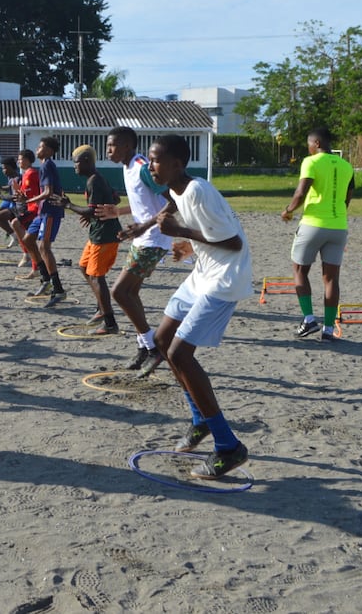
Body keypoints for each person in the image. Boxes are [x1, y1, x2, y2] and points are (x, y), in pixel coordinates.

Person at [147, 134, 254, 480]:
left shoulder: (196, 190)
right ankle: (199, 421)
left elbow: (234, 242)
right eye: (149, 159)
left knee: (179, 354)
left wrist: (183, 234)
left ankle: (228, 446)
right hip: (203, 272)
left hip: (224, 278)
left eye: (156, 160)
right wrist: (188, 246)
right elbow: (197, 226)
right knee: (163, 340)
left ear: (177, 164)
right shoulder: (177, 191)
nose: (151, 165)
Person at [94, 126, 176, 371]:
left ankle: (153, 347)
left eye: (112, 145)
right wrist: (118, 213)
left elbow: (173, 200)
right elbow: (145, 202)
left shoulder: (143, 166)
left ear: (127, 146)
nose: (107, 150)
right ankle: (144, 345)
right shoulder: (127, 167)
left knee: (120, 292)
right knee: (130, 293)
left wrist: (144, 226)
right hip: (143, 237)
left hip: (155, 237)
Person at [282, 127, 356, 342]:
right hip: (339, 226)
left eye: (309, 145)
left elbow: (301, 193)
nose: (309, 148)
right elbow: (347, 197)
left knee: (299, 270)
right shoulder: (346, 166)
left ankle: (309, 319)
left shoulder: (310, 162)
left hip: (313, 224)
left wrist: (288, 211)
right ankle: (329, 329)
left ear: (316, 143)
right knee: (331, 278)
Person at [60, 145, 122, 334]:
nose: (74, 167)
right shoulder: (97, 179)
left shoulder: (94, 181)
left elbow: (92, 209)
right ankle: (101, 309)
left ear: (86, 161)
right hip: (98, 232)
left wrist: (69, 204)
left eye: (76, 162)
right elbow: (116, 199)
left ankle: (110, 322)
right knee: (84, 267)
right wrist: (94, 213)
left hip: (105, 234)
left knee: (96, 276)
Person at [22, 136, 65, 308]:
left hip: (50, 211)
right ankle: (46, 279)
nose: (37, 149)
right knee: (27, 240)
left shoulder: (47, 165)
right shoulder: (43, 165)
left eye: (40, 146)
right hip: (42, 211)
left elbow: (48, 192)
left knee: (44, 247)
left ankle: (58, 289)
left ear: (48, 150)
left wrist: (28, 201)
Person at [12, 149, 42, 274]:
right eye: (18, 159)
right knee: (26, 235)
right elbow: (25, 195)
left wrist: (21, 194)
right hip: (30, 208)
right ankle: (33, 263)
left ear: (28, 160)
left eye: (21, 159)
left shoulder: (31, 174)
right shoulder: (25, 174)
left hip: (35, 209)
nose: (19, 161)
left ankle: (27, 255)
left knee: (16, 224)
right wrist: (18, 190)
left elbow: (32, 196)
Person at [0, 157, 23, 248]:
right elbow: (9, 187)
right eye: (2, 169)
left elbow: (15, 197)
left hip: (17, 204)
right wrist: (1, 187)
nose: (3, 171)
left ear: (12, 168)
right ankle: (13, 235)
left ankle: (15, 236)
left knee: (0, 217)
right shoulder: (10, 177)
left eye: (5, 168)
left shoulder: (18, 178)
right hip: (10, 200)